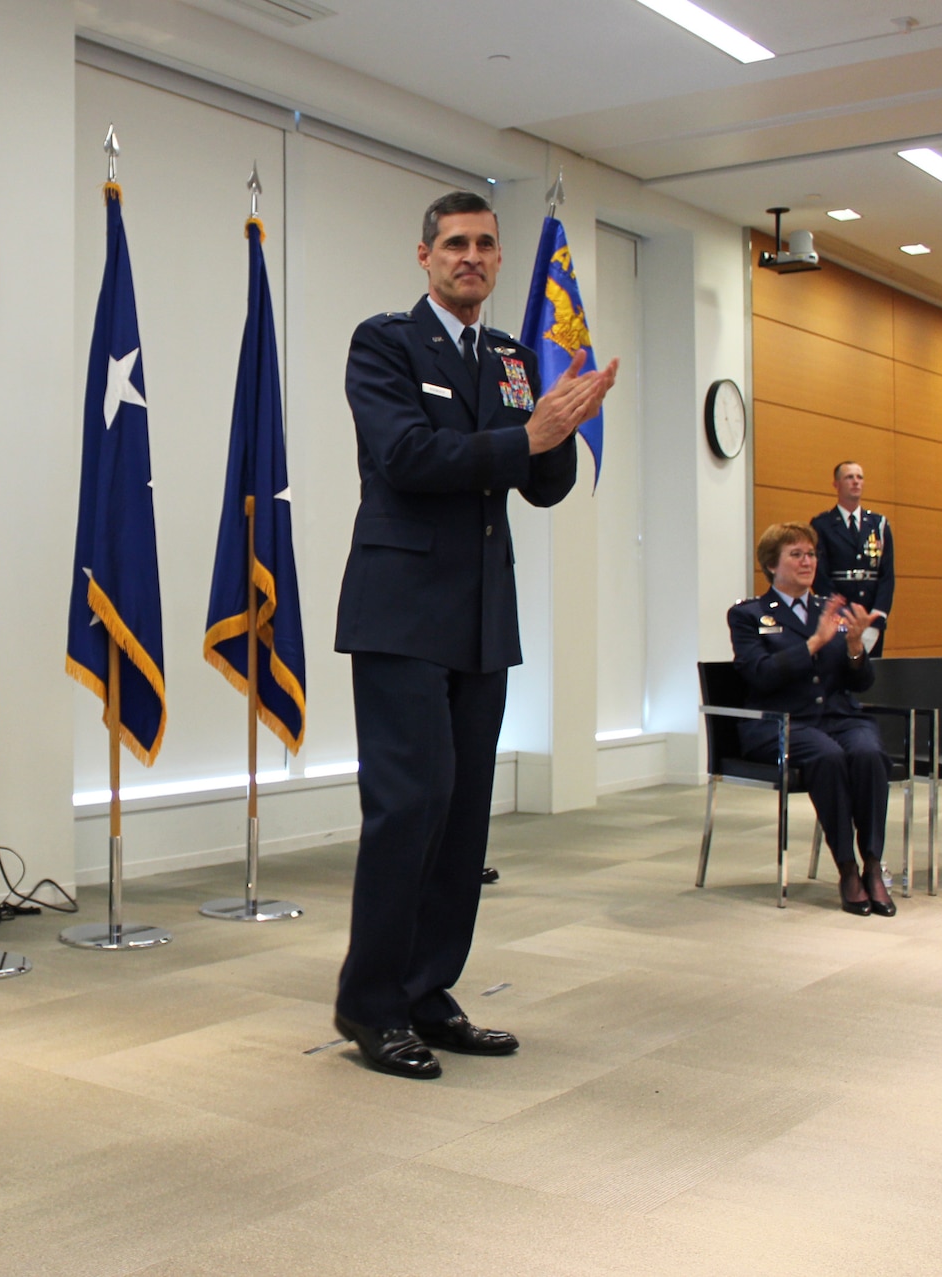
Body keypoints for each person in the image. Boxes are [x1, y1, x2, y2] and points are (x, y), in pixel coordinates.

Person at [331, 190, 616, 1080]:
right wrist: (524, 434)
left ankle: (426, 989)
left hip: (482, 619)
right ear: (424, 256)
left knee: (461, 822)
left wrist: (559, 425)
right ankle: (370, 1004)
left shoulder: (510, 356)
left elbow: (543, 487)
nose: (472, 257)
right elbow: (407, 458)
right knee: (407, 810)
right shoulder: (383, 344)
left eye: (486, 245)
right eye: (455, 243)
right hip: (400, 611)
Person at [729, 522, 895, 916]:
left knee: (870, 752)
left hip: (837, 716)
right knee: (828, 757)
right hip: (781, 722)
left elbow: (862, 683)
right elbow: (760, 674)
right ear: (772, 564)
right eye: (796, 554)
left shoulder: (832, 609)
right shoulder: (750, 615)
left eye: (812, 554)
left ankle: (873, 863)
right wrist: (815, 643)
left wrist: (855, 647)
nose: (808, 562)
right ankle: (847, 869)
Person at [812, 461, 894, 656]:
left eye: (860, 477)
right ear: (836, 484)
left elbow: (886, 575)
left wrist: (877, 615)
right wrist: (841, 615)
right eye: (849, 477)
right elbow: (820, 576)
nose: (856, 482)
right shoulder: (822, 525)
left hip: (871, 618)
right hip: (838, 621)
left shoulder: (878, 524)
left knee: (871, 679)